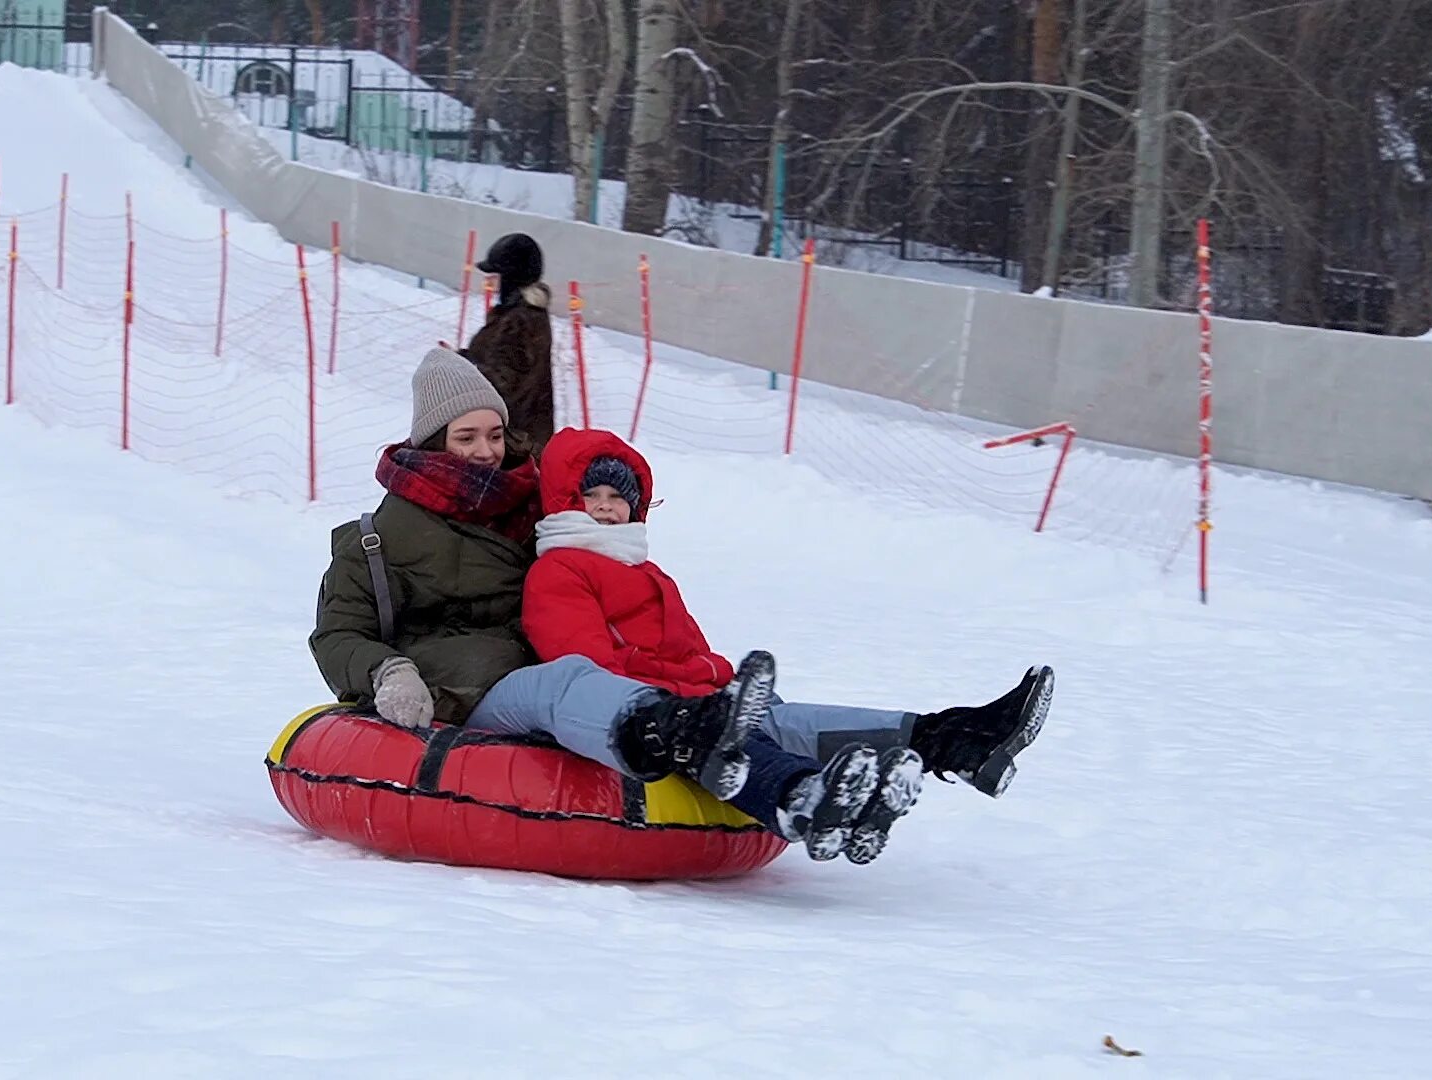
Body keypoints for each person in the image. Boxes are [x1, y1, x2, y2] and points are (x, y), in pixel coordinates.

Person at [520, 428, 1055, 864]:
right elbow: (586, 666)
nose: (609, 508)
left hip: (689, 696)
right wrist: (698, 689)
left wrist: (715, 680)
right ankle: (810, 795)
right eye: (594, 496)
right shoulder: (559, 569)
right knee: (740, 732)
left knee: (783, 716)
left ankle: (953, 738)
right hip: (653, 714)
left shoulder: (646, 569)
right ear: (568, 500)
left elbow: (691, 651)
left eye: (620, 497)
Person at [309, 348, 769, 802]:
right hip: (456, 687)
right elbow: (338, 633)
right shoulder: (379, 540)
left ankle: (788, 772)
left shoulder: (538, 510)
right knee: (564, 681)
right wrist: (388, 670)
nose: (486, 452)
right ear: (435, 442)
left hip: (557, 670)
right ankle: (676, 732)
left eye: (495, 435)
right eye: (466, 438)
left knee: (604, 679)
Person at [460, 233, 554, 455]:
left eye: (500, 276)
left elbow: (501, 384)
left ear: (513, 278)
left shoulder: (520, 322)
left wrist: (461, 367)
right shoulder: (521, 316)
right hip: (509, 441)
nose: (496, 284)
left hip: (511, 447)